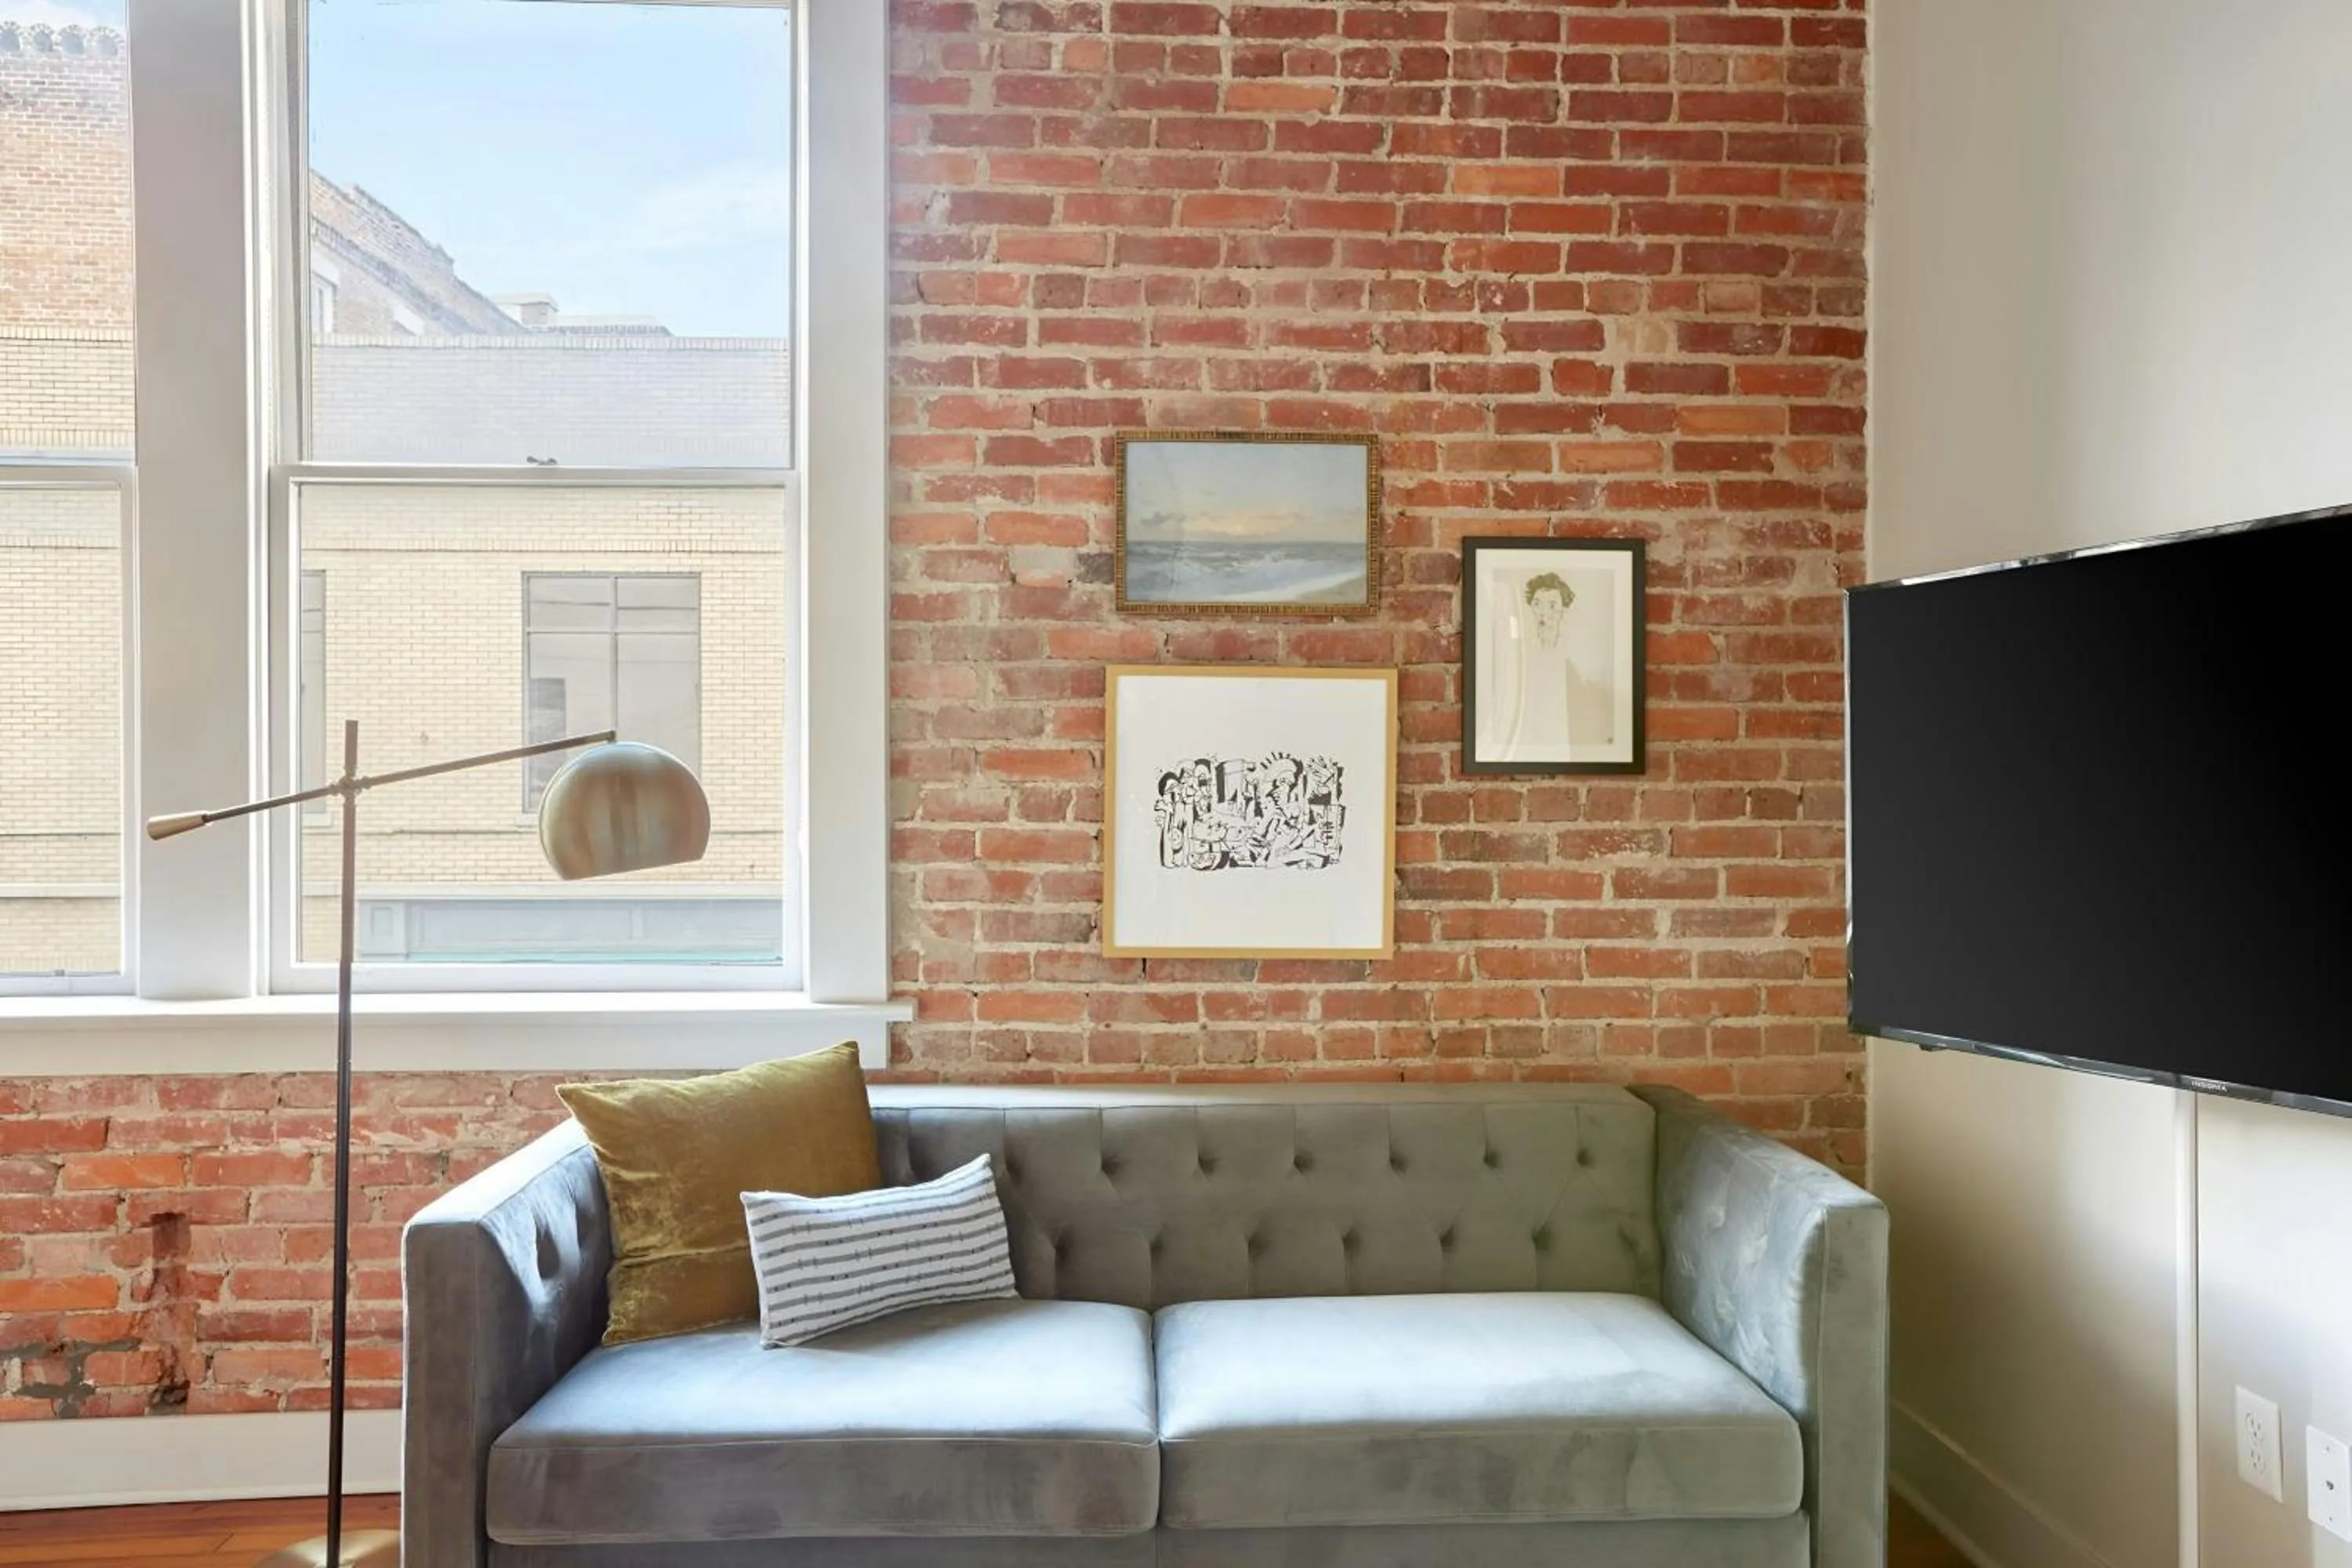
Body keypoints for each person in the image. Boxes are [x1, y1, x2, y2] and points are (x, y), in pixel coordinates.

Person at [1486, 570, 1577, 757]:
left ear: (1564, 609)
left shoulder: (1570, 655)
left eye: (1552, 605)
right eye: (1537, 604)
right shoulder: (1521, 651)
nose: (1544, 612)